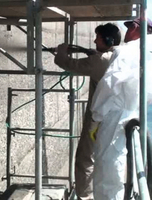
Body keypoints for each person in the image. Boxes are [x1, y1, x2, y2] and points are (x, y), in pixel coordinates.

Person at [54, 23, 122, 200]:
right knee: (101, 156)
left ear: (107, 40)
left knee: (85, 158)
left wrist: (61, 50)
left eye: (97, 38)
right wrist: (93, 54)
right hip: (113, 116)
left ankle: (85, 197)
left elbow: (64, 62)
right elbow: (101, 62)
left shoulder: (99, 61)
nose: (93, 40)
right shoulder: (116, 56)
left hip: (97, 121)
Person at [90, 18, 152, 200]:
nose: (125, 31)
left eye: (129, 26)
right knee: (128, 162)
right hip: (135, 111)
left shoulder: (128, 51)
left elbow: (109, 84)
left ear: (135, 28)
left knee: (107, 168)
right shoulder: (148, 50)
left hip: (115, 113)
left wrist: (96, 117)